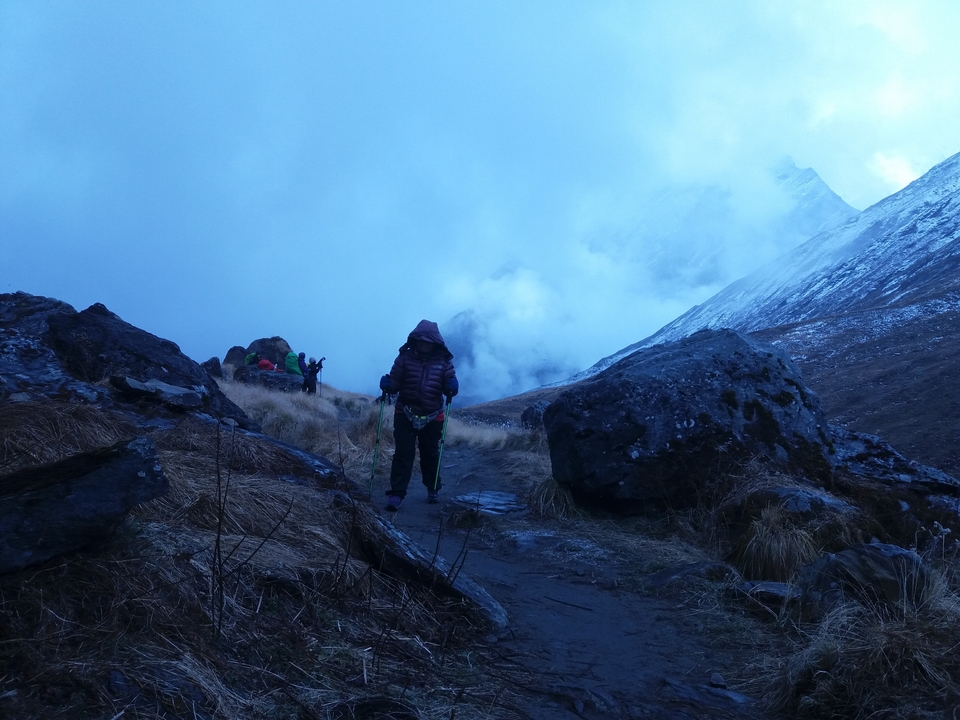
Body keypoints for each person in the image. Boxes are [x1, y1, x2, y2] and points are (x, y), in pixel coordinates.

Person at [378, 320, 458, 511]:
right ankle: (396, 494)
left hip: (433, 416)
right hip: (405, 412)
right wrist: (389, 384)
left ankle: (433, 487)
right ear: (415, 340)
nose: (424, 344)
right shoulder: (404, 358)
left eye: (427, 341)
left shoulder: (443, 362)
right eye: (421, 340)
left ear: (435, 342)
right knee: (403, 453)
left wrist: (452, 386)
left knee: (430, 453)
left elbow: (449, 384)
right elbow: (395, 384)